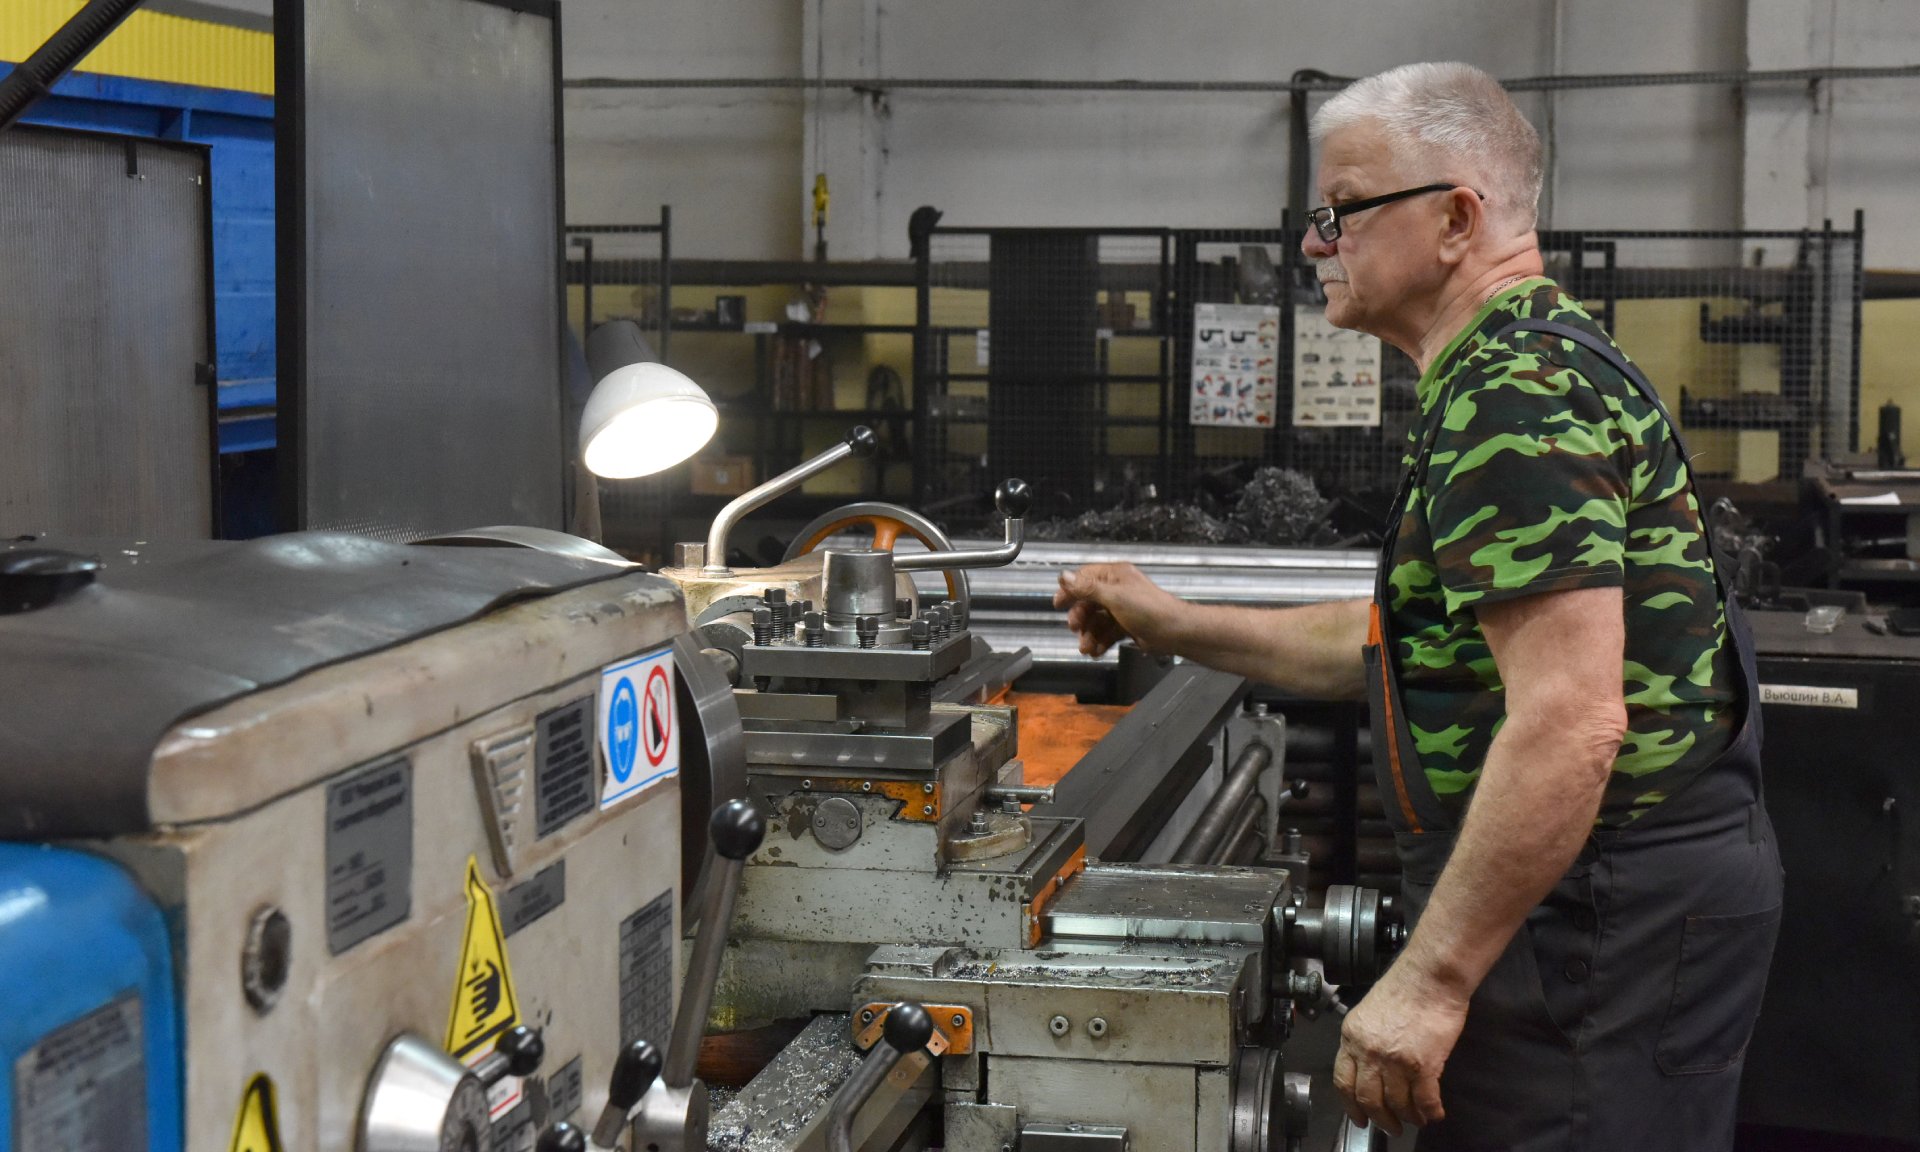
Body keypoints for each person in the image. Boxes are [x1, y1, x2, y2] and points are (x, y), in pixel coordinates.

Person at [1055, 62, 1781, 1151]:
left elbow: (1569, 721)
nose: (1316, 244)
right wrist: (1173, 620)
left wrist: (1430, 981)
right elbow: (1402, 645)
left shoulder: (1511, 394)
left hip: (1597, 923)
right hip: (1595, 900)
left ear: (1455, 219)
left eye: (1341, 210)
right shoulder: (1507, 369)